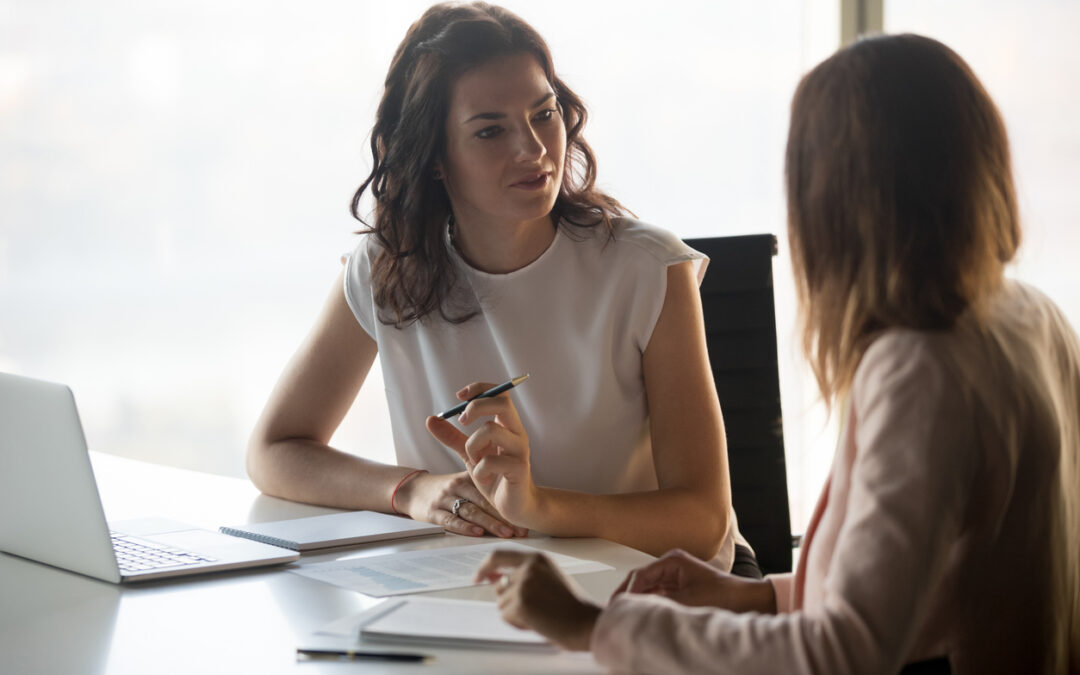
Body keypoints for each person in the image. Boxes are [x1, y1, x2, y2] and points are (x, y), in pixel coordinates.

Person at [474, 33, 1080, 674]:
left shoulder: (919, 371)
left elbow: (840, 653)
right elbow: (944, 589)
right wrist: (758, 596)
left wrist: (592, 626)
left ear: (833, 199)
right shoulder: (1029, 317)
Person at [246, 1, 757, 571]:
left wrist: (538, 506)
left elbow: (702, 519)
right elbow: (274, 450)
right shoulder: (387, 268)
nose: (535, 150)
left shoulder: (647, 268)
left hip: (664, 588)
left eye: (544, 114)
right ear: (435, 157)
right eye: (491, 130)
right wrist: (413, 491)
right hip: (480, 589)